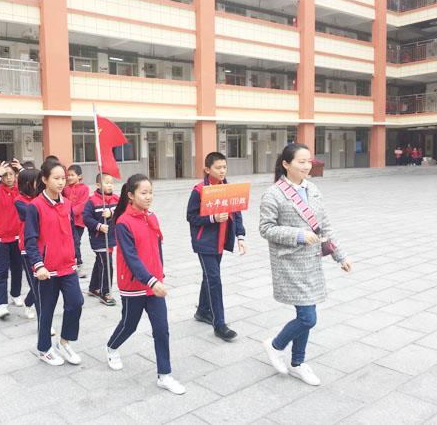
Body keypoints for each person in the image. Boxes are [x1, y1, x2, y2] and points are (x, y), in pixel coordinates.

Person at [259, 143, 351, 386]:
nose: (307, 166)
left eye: (309, 161)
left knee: (306, 314)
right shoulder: (273, 194)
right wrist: (298, 235)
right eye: (301, 161)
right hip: (289, 263)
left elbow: (325, 226)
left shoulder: (313, 189)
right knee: (308, 318)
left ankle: (297, 363)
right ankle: (275, 345)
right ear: (286, 164)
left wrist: (340, 256)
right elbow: (266, 228)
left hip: (311, 262)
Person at [106, 174, 185, 395]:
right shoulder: (123, 222)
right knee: (129, 325)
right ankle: (112, 346)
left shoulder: (152, 217)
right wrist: (151, 280)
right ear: (131, 195)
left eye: (151, 192)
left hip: (154, 284)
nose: (149, 197)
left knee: (161, 329)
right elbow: (131, 258)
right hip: (134, 285)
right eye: (144, 193)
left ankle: (164, 375)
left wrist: (160, 274)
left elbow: (157, 247)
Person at [24, 160, 83, 366]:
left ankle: (64, 342)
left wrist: (76, 256)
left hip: (68, 266)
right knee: (46, 311)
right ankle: (44, 349)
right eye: (56, 178)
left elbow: (73, 233)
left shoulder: (67, 204)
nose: (60, 182)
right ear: (44, 179)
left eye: (63, 178)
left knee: (76, 303)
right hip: (46, 270)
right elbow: (30, 239)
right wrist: (38, 264)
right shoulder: (35, 206)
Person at [186, 152, 247, 342]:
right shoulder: (199, 190)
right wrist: (212, 218)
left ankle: (202, 311)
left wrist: (240, 236)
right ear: (207, 169)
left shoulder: (229, 188)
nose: (222, 171)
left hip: (221, 241)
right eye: (218, 167)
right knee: (214, 280)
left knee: (209, 277)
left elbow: (236, 213)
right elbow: (191, 217)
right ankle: (219, 325)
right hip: (204, 243)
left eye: (224, 167)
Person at [0, 159, 24, 319]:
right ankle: (1, 304)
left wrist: (21, 170)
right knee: (1, 271)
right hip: (1, 237)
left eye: (11, 174)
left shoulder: (20, 189)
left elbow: (34, 185)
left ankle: (15, 293)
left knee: (17, 269)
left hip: (18, 236)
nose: (8, 178)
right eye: (5, 175)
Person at [82, 172, 119, 306]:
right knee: (106, 264)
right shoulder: (92, 201)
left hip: (111, 237)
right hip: (98, 239)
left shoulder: (116, 199)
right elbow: (86, 218)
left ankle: (93, 287)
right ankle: (105, 292)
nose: (110, 185)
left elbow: (123, 211)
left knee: (101, 262)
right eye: (107, 183)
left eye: (111, 183)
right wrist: (99, 226)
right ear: (98, 185)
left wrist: (112, 213)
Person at [14, 168, 40, 321]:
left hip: (43, 245)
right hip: (27, 247)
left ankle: (28, 302)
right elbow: (32, 215)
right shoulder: (19, 201)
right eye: (37, 181)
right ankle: (45, 322)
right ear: (28, 183)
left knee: (41, 282)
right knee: (35, 283)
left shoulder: (41, 198)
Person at [63, 164, 90, 277]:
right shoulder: (65, 189)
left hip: (78, 222)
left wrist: (70, 212)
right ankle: (71, 263)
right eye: (68, 175)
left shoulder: (84, 188)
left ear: (79, 176)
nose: (69, 177)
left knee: (76, 242)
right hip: (66, 221)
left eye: (72, 175)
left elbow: (83, 204)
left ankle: (79, 264)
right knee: (70, 242)